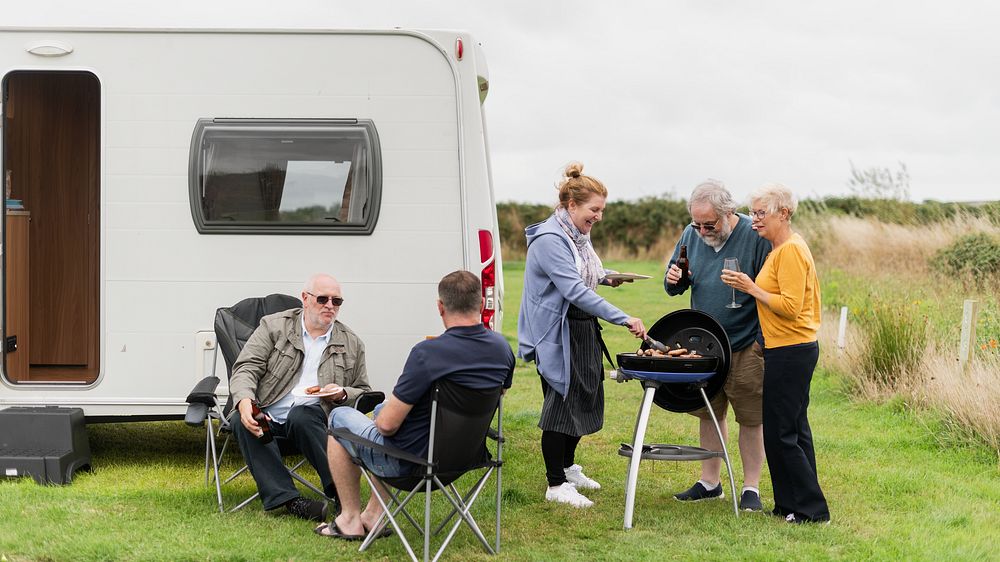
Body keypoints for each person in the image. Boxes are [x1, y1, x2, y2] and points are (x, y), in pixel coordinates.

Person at [317, 270, 515, 539]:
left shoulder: (428, 354)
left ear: (440, 307)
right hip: (464, 459)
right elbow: (495, 397)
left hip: (412, 466)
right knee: (379, 410)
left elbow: (386, 427)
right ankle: (373, 516)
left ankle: (350, 518)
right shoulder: (502, 349)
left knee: (340, 417)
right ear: (480, 305)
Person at [518, 161, 646, 508]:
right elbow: (573, 289)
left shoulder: (576, 235)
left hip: (581, 326)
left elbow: (584, 271)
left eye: (602, 210)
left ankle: (568, 467)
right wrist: (624, 318)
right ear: (571, 205)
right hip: (558, 330)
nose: (599, 217)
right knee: (561, 403)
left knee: (584, 397)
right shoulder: (549, 239)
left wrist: (608, 276)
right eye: (594, 209)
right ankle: (555, 483)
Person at [722, 183, 831, 524]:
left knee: (782, 433)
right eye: (752, 213)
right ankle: (789, 504)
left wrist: (750, 288)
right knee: (793, 430)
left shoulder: (791, 251)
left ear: (783, 213)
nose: (754, 220)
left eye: (760, 213)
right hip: (781, 347)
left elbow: (791, 307)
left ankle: (813, 511)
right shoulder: (778, 249)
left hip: (793, 350)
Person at [663, 180, 771, 511]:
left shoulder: (754, 237)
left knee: (751, 417)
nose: (702, 230)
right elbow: (676, 281)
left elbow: (770, 291)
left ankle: (751, 487)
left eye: (708, 224)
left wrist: (760, 343)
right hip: (704, 344)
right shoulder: (691, 233)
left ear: (728, 213)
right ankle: (710, 482)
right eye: (697, 224)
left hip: (744, 343)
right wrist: (675, 280)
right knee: (709, 413)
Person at [229, 273, 371, 521]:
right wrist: (243, 402)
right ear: (305, 298)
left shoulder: (351, 343)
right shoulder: (273, 326)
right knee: (244, 420)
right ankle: (291, 501)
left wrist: (342, 393)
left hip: (313, 422)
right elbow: (246, 367)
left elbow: (363, 390)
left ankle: (343, 498)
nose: (329, 305)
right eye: (323, 299)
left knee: (302, 414)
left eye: (336, 301)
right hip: (268, 416)